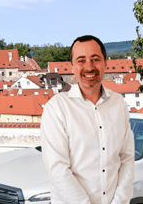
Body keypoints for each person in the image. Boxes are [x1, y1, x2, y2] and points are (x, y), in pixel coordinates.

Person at [40, 35, 134, 204]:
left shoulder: (118, 103)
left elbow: (126, 158)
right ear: (72, 66)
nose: (89, 67)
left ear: (105, 63)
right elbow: (58, 169)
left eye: (95, 59)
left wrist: (119, 201)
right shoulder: (56, 108)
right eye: (81, 60)